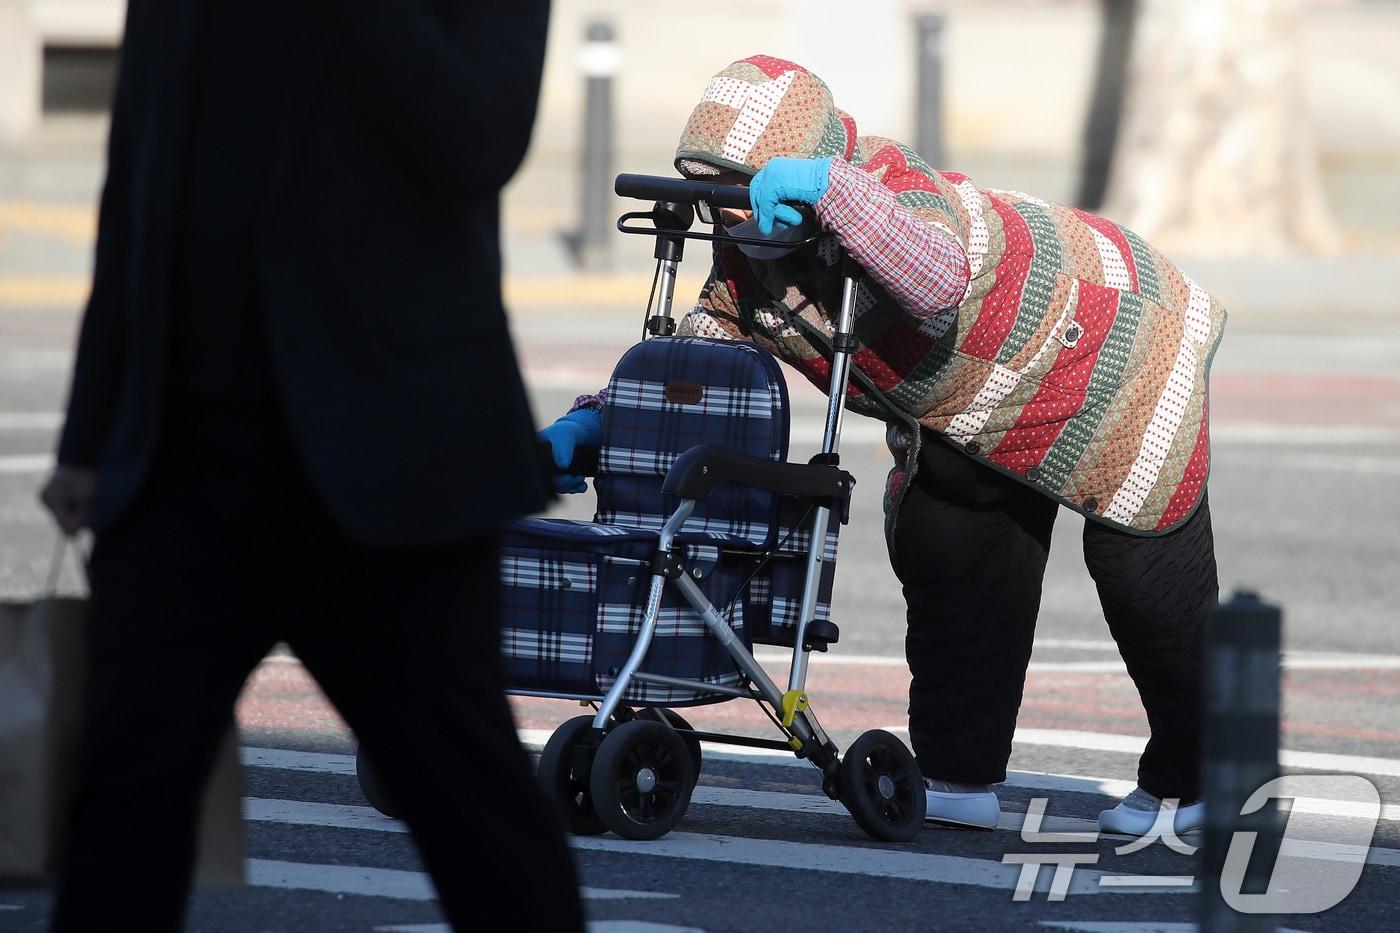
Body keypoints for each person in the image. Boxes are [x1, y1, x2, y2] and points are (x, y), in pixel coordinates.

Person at [540, 55, 1223, 836]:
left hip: (1114, 345)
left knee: (1145, 574)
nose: (726, 216)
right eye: (711, 189)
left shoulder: (896, 192)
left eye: (739, 188)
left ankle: (1197, 777)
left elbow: (935, 279)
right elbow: (694, 369)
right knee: (948, 538)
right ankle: (958, 771)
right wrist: (595, 423)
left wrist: (833, 192)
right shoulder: (745, 262)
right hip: (976, 408)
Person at [38, 2, 585, 930]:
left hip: (390, 468)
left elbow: (480, 136)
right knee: (119, 824)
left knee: (478, 823)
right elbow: (138, 175)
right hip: (181, 467)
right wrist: (89, 435)